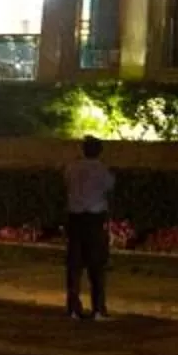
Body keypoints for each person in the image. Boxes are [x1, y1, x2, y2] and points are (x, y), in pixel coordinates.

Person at [63, 135, 116, 322]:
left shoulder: (72, 168)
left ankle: (73, 308)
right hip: (94, 219)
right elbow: (110, 186)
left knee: (74, 266)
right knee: (96, 266)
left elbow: (67, 182)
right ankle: (98, 309)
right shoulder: (101, 170)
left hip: (75, 218)